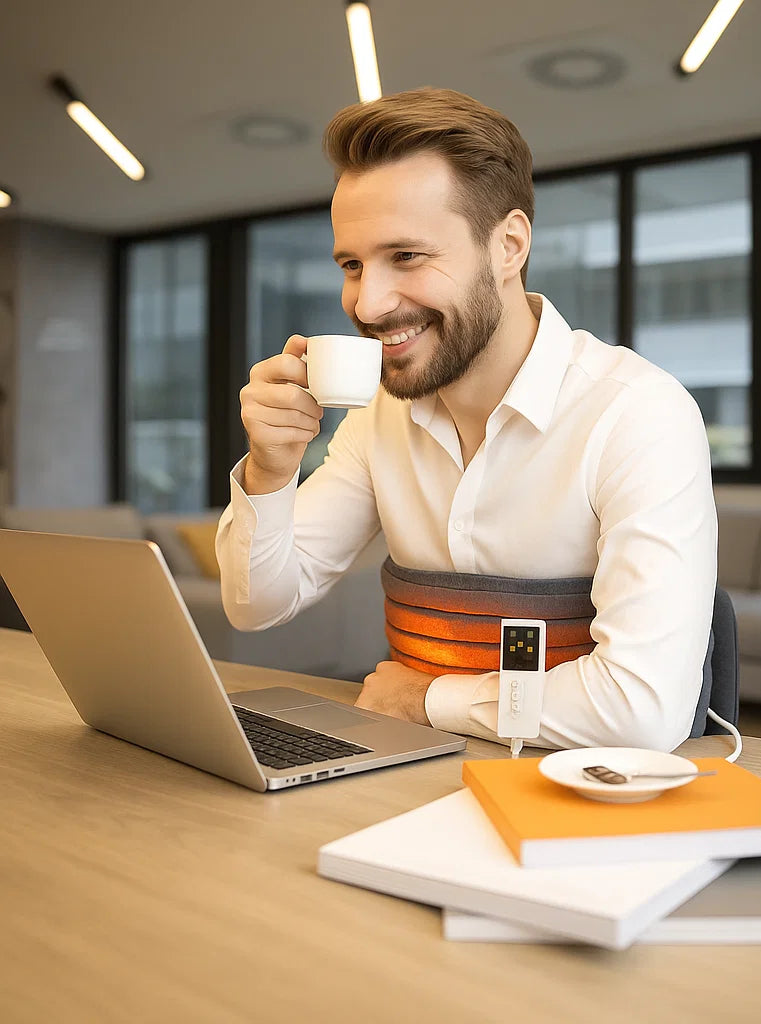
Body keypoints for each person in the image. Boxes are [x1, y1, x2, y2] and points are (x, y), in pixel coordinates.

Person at [216, 87, 717, 751]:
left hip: (577, 790)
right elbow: (257, 604)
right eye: (352, 265)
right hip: (407, 770)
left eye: (406, 256)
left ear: (508, 246)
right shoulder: (380, 420)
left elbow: (640, 710)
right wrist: (271, 469)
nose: (367, 304)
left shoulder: (637, 414)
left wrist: (427, 699)